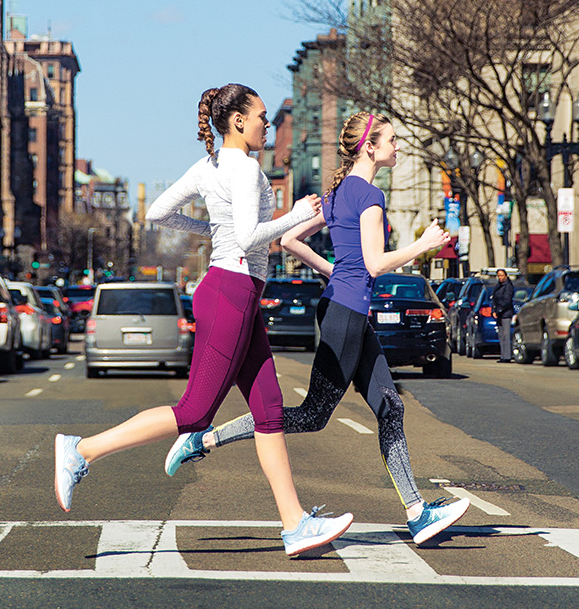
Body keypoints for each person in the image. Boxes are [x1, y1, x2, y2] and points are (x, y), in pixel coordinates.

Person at [54, 84, 354, 557]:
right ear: (237, 120)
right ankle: (82, 450)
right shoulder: (244, 167)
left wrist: (211, 230)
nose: (265, 124)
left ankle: (296, 524)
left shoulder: (210, 165)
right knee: (194, 412)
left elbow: (158, 213)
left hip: (234, 291)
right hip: (231, 291)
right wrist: (294, 215)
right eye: (259, 116)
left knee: (270, 409)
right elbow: (251, 235)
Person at [165, 111, 472, 546]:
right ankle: (203, 440)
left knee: (391, 408)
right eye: (392, 140)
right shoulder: (368, 195)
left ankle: (418, 513)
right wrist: (421, 246)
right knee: (312, 415)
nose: (397, 147)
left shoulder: (339, 192)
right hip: (346, 316)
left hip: (345, 310)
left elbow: (290, 240)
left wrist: (335, 272)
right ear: (370, 146)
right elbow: (374, 264)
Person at [492, 268, 516, 363]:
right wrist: (494, 310)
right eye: (498, 275)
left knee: (506, 335)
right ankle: (503, 355)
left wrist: (499, 310)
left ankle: (507, 356)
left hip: (506, 314)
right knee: (501, 335)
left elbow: (507, 300)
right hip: (499, 314)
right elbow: (494, 299)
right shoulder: (498, 286)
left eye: (502, 275)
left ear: (506, 276)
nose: (500, 277)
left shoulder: (508, 286)